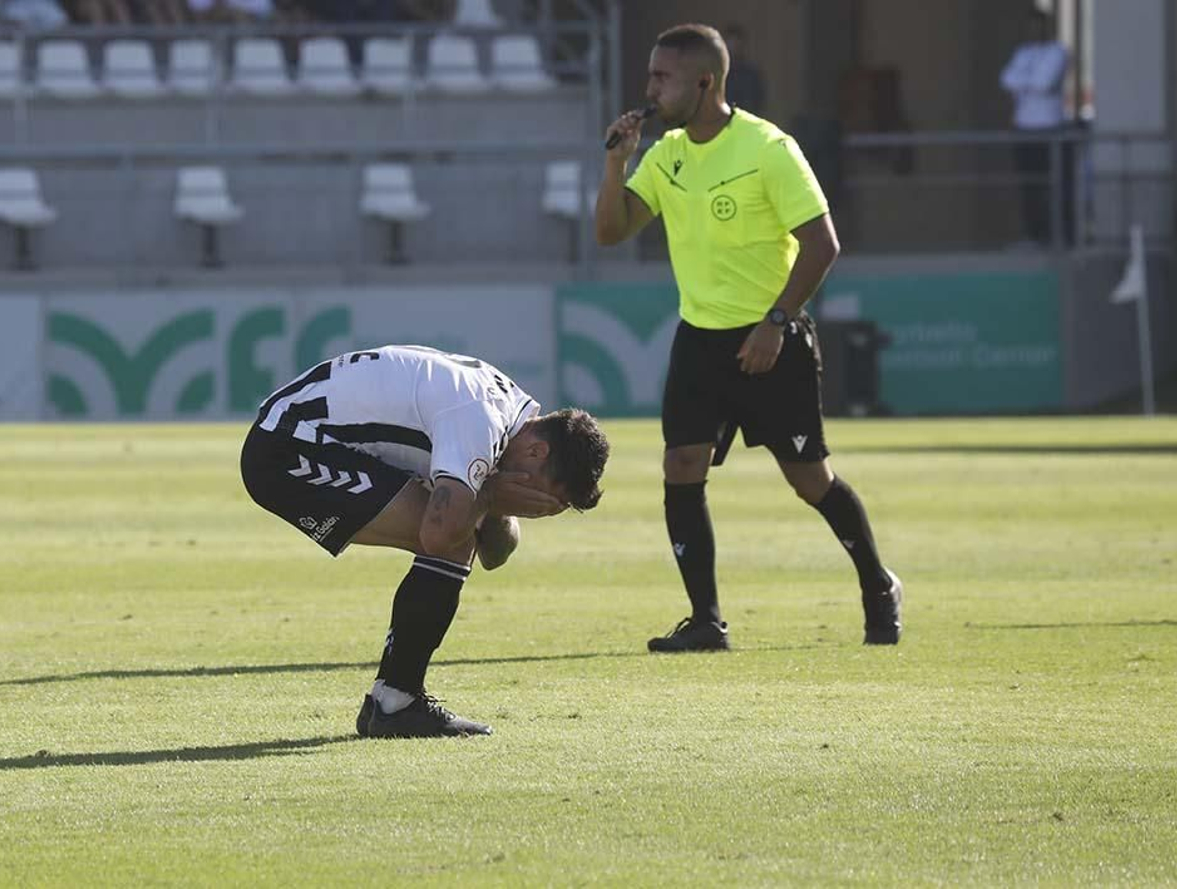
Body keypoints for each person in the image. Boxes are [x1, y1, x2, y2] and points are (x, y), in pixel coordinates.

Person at [595, 23, 901, 652]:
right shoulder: (667, 153)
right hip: (700, 339)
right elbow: (611, 231)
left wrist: (777, 323)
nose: (649, 87)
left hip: (771, 339)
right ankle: (706, 620)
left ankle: (878, 584)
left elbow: (823, 245)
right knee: (681, 465)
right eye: (650, 75)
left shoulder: (769, 148)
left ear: (704, 82)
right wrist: (615, 161)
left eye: (662, 76)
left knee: (808, 480)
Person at [240, 345, 609, 738]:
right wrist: (486, 498)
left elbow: (496, 553)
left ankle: (394, 700)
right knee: (451, 534)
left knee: (458, 527)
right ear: (538, 451)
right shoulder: (479, 419)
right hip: (288, 448)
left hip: (308, 438)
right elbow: (439, 537)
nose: (531, 499)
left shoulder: (505, 418)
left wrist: (494, 503)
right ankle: (396, 703)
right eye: (540, 491)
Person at [1000, 8, 1070, 247]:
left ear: (1047, 28)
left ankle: (1058, 236)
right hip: (1024, 128)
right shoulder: (1023, 52)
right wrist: (1027, 80)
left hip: (1049, 129)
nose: (1034, 31)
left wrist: (1023, 82)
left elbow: (1043, 84)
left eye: (1038, 26)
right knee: (1029, 185)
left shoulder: (1058, 52)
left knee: (1053, 185)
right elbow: (1005, 79)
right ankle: (1033, 237)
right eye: (1030, 27)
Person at [721, 23, 764, 115]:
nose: (733, 47)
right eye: (731, 43)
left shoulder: (752, 74)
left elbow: (759, 102)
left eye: (736, 43)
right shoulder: (718, 73)